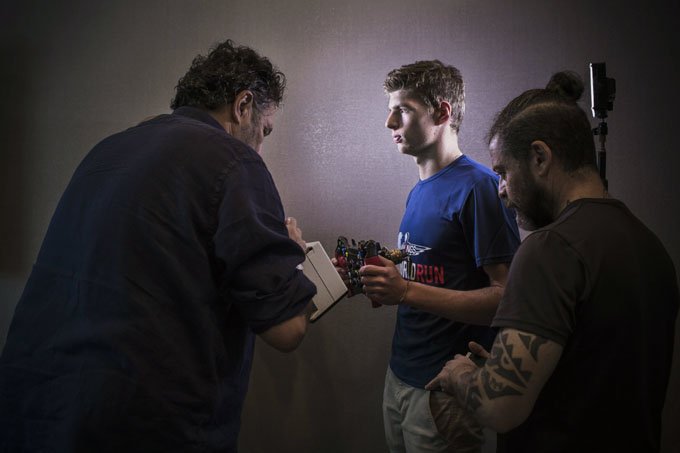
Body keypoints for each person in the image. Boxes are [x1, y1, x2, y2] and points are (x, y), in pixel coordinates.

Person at [0, 39, 316, 452]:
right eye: (264, 131)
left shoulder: (107, 150)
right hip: (137, 423)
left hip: (32, 408)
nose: (260, 147)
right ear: (243, 105)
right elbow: (287, 330)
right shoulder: (236, 162)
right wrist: (291, 256)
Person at [425, 71, 679, 452]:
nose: (501, 190)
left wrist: (460, 375)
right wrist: (506, 368)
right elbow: (595, 373)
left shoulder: (550, 249)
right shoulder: (651, 246)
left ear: (540, 158)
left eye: (503, 172)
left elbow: (499, 407)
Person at [355, 60, 520, 452]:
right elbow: (430, 270)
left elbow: (507, 299)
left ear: (442, 112)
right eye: (391, 110)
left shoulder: (480, 188)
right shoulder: (419, 191)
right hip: (400, 376)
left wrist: (405, 291)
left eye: (403, 110)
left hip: (445, 388)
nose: (389, 122)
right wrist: (375, 275)